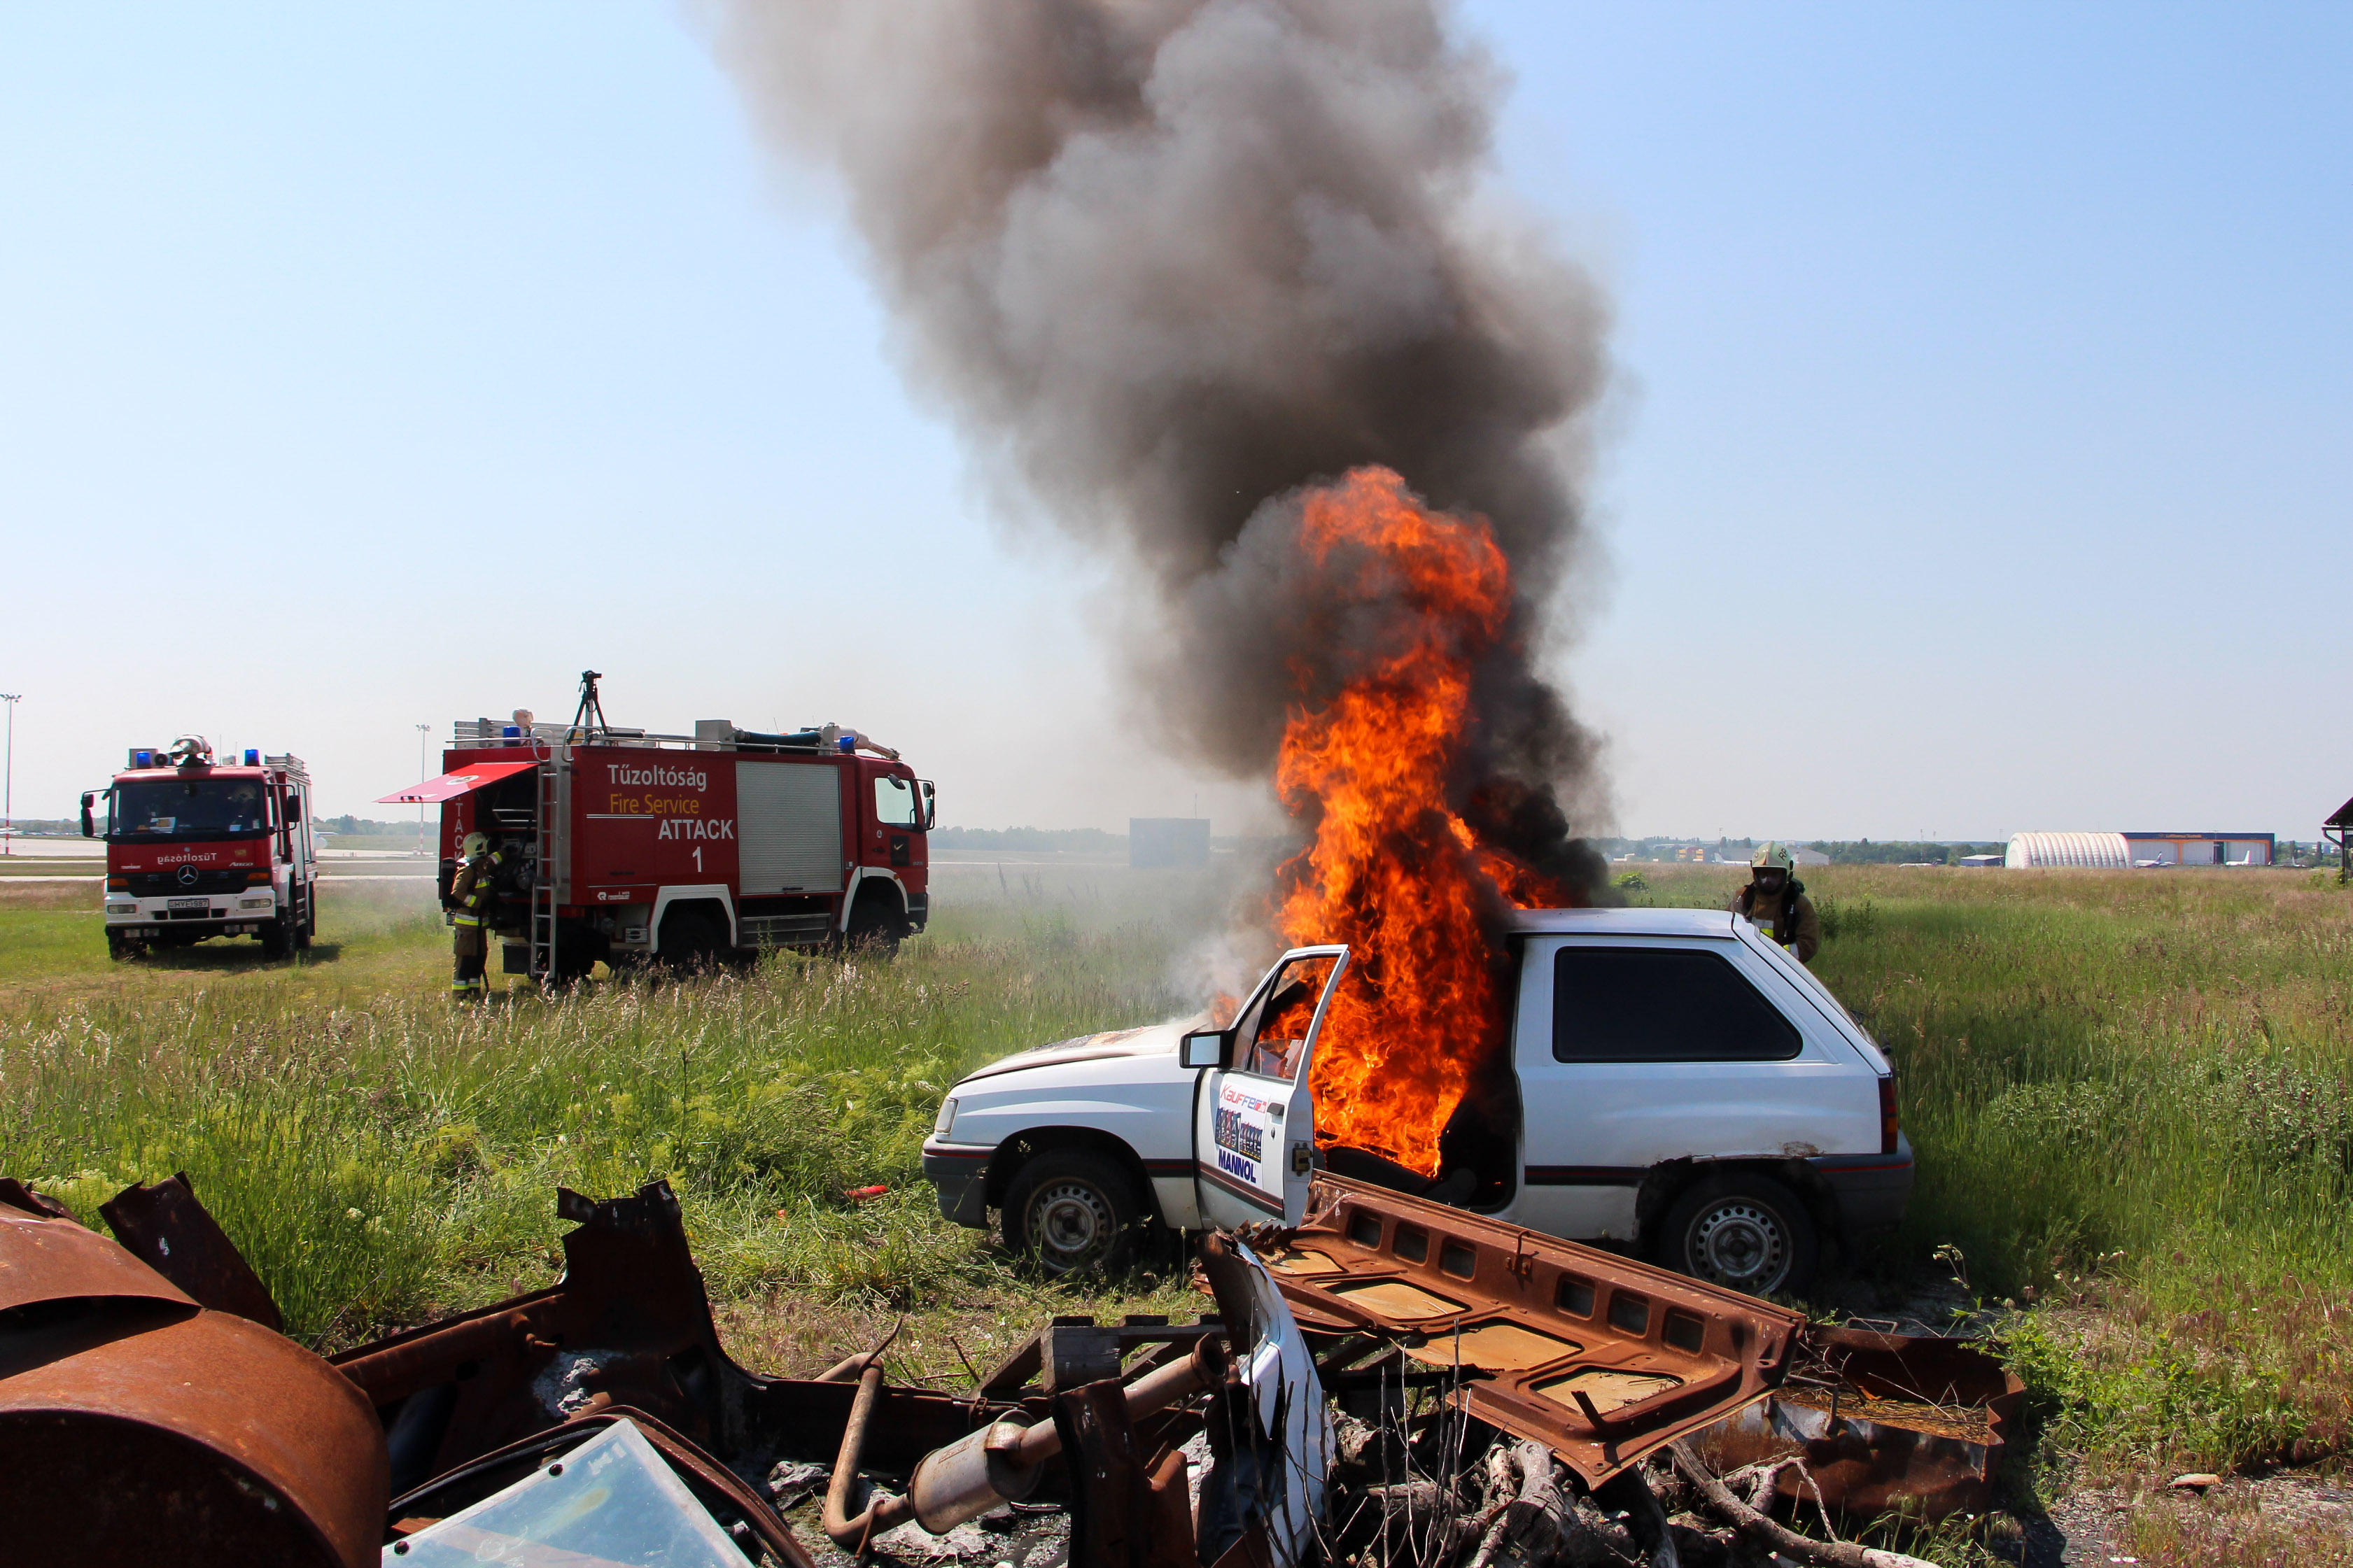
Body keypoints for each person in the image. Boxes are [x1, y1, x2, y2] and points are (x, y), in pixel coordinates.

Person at [1730, 842, 1820, 963]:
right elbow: (1727, 932)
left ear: (1787, 873)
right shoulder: (1743, 898)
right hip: (1747, 966)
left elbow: (1808, 944)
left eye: (1775, 875)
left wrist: (1778, 956)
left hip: (1780, 969)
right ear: (1755, 873)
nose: (1768, 881)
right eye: (1763, 875)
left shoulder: (1799, 904)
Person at [448, 832, 503, 1000]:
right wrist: (478, 903)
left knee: (478, 959)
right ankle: (460, 995)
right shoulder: (467, 870)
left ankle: (474, 992)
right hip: (468, 925)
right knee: (465, 960)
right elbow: (458, 892)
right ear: (480, 848)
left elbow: (491, 862)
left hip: (478, 925)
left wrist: (505, 852)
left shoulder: (480, 866)